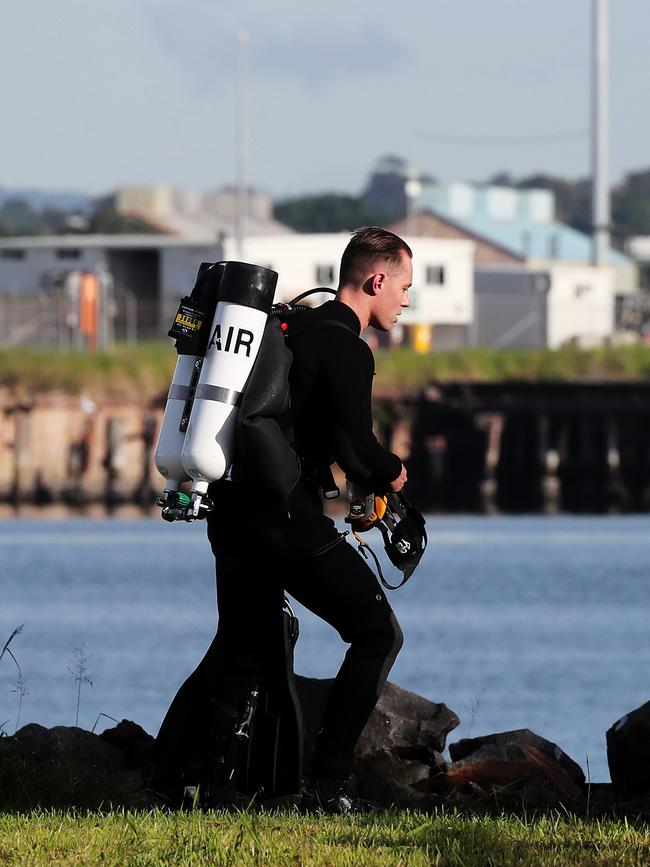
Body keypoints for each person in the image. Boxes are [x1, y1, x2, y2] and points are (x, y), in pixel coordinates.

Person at [153, 226, 413, 813]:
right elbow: (356, 449)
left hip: (231, 512)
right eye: (404, 286)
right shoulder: (347, 347)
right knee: (376, 634)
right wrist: (392, 472)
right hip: (283, 517)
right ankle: (328, 785)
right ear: (376, 280)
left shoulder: (292, 326)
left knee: (246, 642)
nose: (405, 300)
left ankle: (193, 780)